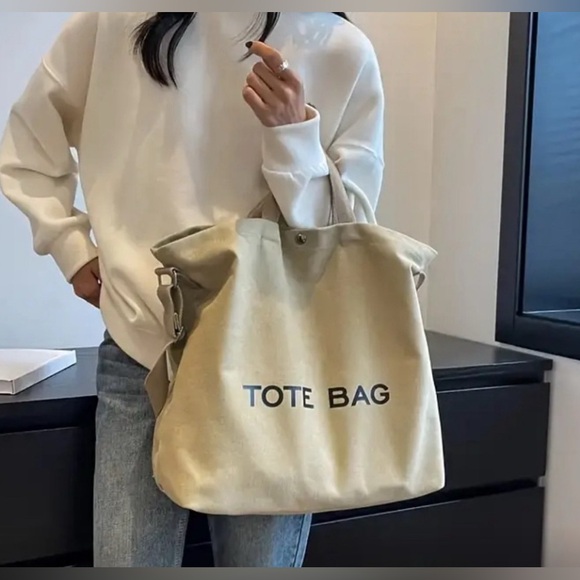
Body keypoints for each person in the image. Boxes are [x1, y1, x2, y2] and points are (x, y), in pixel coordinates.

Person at [0, 12, 385, 567]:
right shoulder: (111, 24)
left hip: (272, 364)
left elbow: (346, 236)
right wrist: (70, 247)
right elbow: (26, 149)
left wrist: (293, 136)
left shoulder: (342, 48)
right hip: (143, 353)